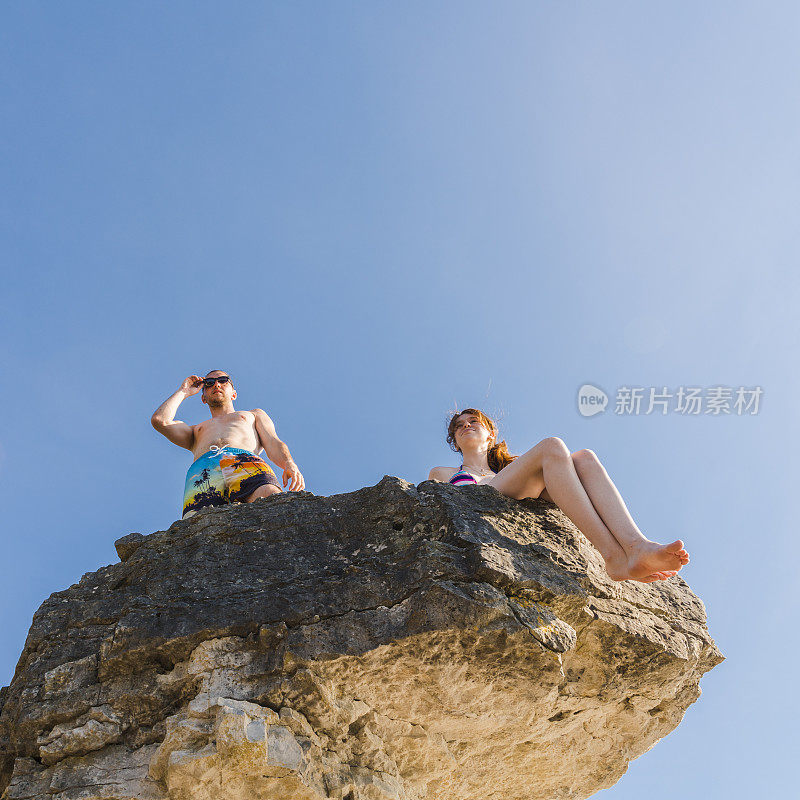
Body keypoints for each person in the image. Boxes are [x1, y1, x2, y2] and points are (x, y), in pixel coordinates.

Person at [428, 408, 689, 584]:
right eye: (458, 426)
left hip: (515, 493)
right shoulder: (442, 472)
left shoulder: (513, 468)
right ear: (454, 440)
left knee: (584, 458)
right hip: (479, 500)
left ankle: (635, 547)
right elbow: (438, 507)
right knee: (552, 446)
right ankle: (613, 557)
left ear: (491, 433)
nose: (466, 426)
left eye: (473, 421)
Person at [151, 371, 305, 519]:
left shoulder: (253, 415)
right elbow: (160, 420)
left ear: (234, 393)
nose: (216, 384)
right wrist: (183, 391)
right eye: (209, 383)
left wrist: (288, 463)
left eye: (223, 380)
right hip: (204, 470)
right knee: (197, 527)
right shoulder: (196, 430)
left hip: (243, 460)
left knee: (274, 501)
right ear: (203, 398)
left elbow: (273, 441)